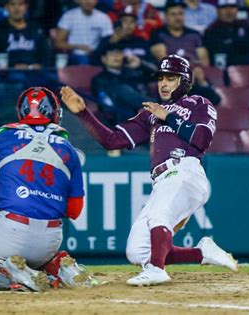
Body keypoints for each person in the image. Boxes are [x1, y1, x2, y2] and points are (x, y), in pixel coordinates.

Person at [60, 55, 238, 286]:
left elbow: (202, 139)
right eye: (161, 78)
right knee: (137, 251)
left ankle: (156, 269)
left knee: (158, 216)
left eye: (171, 78)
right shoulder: (150, 113)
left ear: (184, 81)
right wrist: (83, 113)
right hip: (163, 180)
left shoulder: (199, 103)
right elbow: (112, 141)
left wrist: (169, 117)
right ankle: (202, 252)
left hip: (185, 171)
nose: (163, 83)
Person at [0, 87, 97, 291]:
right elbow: (74, 211)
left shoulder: (1, 138)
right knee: (34, 257)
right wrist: (45, 199)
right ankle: (59, 268)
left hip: (11, 229)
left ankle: (10, 273)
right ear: (53, 112)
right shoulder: (68, 149)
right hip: (51, 238)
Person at [92, 43, 155, 122]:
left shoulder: (131, 73)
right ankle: (159, 105)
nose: (116, 57)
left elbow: (156, 77)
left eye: (119, 54)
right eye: (112, 54)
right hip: (120, 114)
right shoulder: (100, 79)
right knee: (122, 89)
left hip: (142, 111)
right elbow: (106, 102)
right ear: (103, 59)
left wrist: (141, 64)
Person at [203, 0, 249, 68]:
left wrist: (233, 42)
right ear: (217, 10)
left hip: (248, 67)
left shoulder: (246, 25)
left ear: (237, 9)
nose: (229, 11)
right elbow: (219, 49)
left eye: (232, 7)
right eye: (224, 7)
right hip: (225, 68)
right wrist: (240, 42)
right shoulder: (211, 30)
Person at [150, 1, 210, 66]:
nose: (178, 18)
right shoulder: (158, 34)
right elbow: (163, 60)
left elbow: (204, 61)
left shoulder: (195, 34)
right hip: (170, 74)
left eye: (180, 14)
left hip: (194, 73)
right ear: (165, 16)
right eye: (173, 14)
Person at [54, 0, 113, 65]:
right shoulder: (69, 16)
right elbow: (58, 43)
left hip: (97, 54)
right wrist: (80, 47)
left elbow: (108, 40)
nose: (88, 2)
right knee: (83, 60)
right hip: (75, 54)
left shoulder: (103, 18)